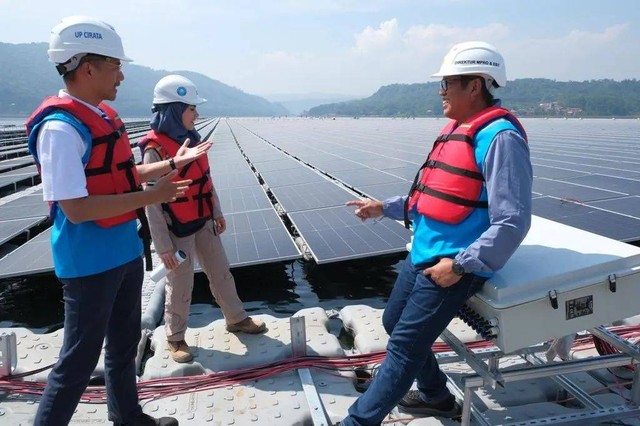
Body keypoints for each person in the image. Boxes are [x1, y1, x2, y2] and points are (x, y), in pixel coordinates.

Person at [26, 16, 212, 426]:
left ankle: (127, 415)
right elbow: (76, 207)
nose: (122, 76)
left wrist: (171, 164)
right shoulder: (60, 128)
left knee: (124, 341)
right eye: (115, 66)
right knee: (78, 358)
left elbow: (122, 174)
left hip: (125, 251)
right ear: (87, 67)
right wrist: (153, 197)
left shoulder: (101, 116)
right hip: (89, 260)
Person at [339, 41, 532, 425]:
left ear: (475, 85)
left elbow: (512, 221)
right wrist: (385, 208)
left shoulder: (500, 138)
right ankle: (437, 398)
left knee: (405, 347)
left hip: (452, 263)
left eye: (447, 84)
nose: (440, 91)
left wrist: (460, 267)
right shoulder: (458, 130)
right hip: (423, 253)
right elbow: (435, 195)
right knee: (394, 324)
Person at [138, 75, 266, 364]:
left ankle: (236, 319)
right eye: (191, 109)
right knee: (180, 285)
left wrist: (217, 212)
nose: (196, 114)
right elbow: (152, 205)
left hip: (204, 221)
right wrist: (164, 248)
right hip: (176, 230)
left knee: (221, 273)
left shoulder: (193, 140)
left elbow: (205, 180)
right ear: (174, 110)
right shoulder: (155, 151)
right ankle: (175, 337)